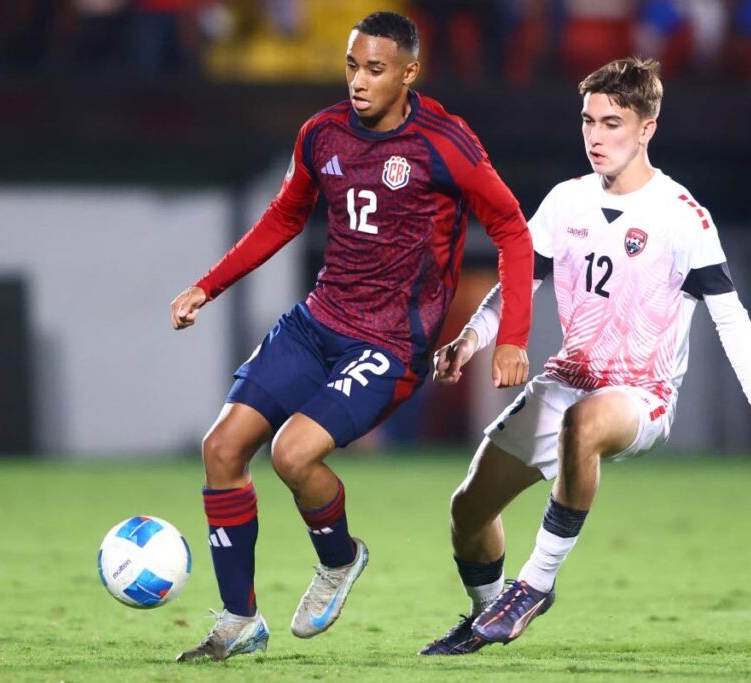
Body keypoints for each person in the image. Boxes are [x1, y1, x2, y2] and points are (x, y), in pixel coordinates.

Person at [420, 57, 751, 655]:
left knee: (585, 425)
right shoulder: (565, 201)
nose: (596, 136)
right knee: (467, 512)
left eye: (612, 123)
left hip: (642, 395)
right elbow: (516, 285)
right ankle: (487, 614)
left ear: (647, 128)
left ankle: (535, 584)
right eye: (588, 121)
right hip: (565, 380)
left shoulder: (683, 217)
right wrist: (472, 338)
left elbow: (729, 314)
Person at [169, 11, 534, 663]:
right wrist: (208, 284)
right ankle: (239, 617)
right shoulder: (322, 133)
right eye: (351, 66)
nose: (359, 82)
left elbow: (512, 229)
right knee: (222, 447)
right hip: (316, 322)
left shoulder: (445, 142)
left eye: (374, 69)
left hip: (390, 343)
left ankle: (339, 559)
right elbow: (285, 215)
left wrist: (510, 337)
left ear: (408, 72)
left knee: (291, 454)